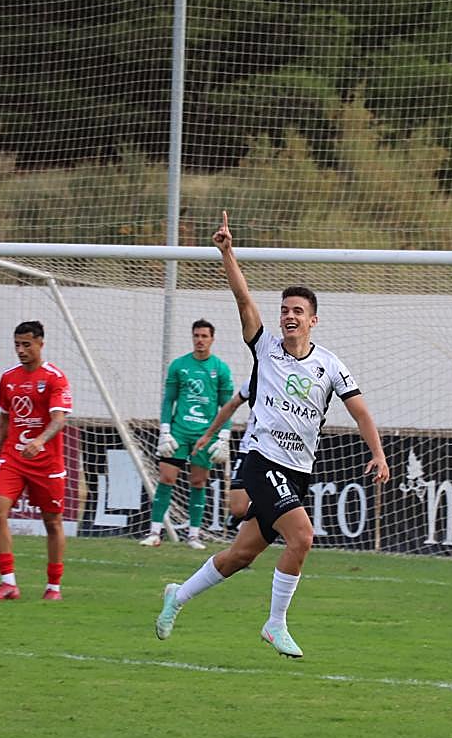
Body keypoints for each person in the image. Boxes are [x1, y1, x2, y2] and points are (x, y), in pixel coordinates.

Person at [154, 212, 390, 658]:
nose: (289, 316)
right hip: (263, 460)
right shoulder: (265, 348)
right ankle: (275, 623)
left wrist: (377, 453)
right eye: (284, 310)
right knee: (302, 537)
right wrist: (227, 252)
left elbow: (359, 411)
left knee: (239, 556)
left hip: (298, 470)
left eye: (298, 311)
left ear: (313, 320)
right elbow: (243, 299)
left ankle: (176, 596)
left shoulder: (330, 365)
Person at [0, 321, 73, 601]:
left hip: (47, 461)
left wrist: (40, 440)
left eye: (26, 344)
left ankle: (53, 586)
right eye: (17, 345)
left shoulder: (55, 378)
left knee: (52, 522)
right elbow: (4, 417)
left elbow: (59, 419)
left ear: (40, 344)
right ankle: (8, 583)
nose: (21, 350)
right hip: (14, 457)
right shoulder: (8, 378)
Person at [139, 319, 235, 550]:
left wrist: (224, 436)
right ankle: (154, 532)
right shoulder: (179, 365)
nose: (200, 340)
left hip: (205, 434)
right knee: (166, 478)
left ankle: (193, 535)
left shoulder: (220, 369)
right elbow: (169, 400)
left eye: (204, 336)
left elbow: (227, 406)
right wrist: (165, 430)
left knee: (198, 482)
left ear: (212, 339)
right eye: (196, 336)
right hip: (179, 431)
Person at [194, 380, 251, 523]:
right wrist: (209, 434)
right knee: (238, 509)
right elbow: (232, 405)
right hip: (250, 449)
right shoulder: (256, 379)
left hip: (279, 454)